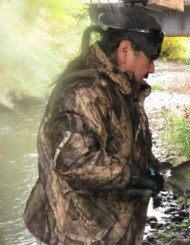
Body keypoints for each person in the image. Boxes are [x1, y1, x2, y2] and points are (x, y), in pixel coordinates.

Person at [23, 7, 166, 244]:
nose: (152, 68)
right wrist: (136, 177)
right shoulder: (84, 93)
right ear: (125, 50)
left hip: (113, 231)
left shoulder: (124, 91)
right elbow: (76, 163)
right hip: (78, 236)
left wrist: (173, 175)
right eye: (150, 59)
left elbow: (134, 155)